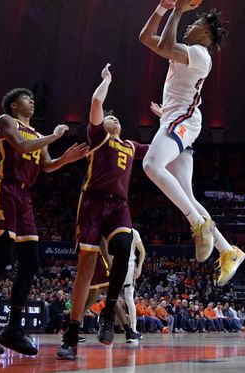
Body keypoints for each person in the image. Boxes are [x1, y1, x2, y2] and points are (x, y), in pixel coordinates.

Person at [0, 88, 88, 356]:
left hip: (24, 197)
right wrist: (53, 136)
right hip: (4, 190)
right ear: (14, 105)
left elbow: (46, 165)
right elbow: (20, 145)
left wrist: (64, 159)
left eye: (32, 98)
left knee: (31, 262)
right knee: (3, 256)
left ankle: (13, 329)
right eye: (26, 98)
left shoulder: (37, 135)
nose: (32, 101)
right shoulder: (6, 122)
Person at [138, 0, 244, 285]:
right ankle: (228, 251)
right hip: (175, 119)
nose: (188, 25)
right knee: (187, 193)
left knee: (151, 165)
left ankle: (197, 223)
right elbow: (146, 38)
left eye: (194, 23)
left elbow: (168, 45)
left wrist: (176, 9)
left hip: (183, 121)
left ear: (206, 35)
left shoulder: (199, 53)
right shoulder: (187, 51)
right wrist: (162, 7)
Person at [57, 64, 149, 360]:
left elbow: (162, 150)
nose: (111, 117)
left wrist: (168, 120)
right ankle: (71, 335)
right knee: (85, 271)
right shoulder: (99, 138)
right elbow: (96, 103)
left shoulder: (132, 146)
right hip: (93, 203)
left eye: (115, 117)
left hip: (119, 206)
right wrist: (107, 80)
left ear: (121, 127)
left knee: (123, 247)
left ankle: (108, 314)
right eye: (108, 116)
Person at [122, 228, 145, 336]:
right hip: (114, 265)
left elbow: (142, 251)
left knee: (129, 297)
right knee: (111, 296)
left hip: (129, 266)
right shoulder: (114, 229)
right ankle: (108, 326)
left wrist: (139, 267)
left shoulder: (133, 232)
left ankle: (133, 328)